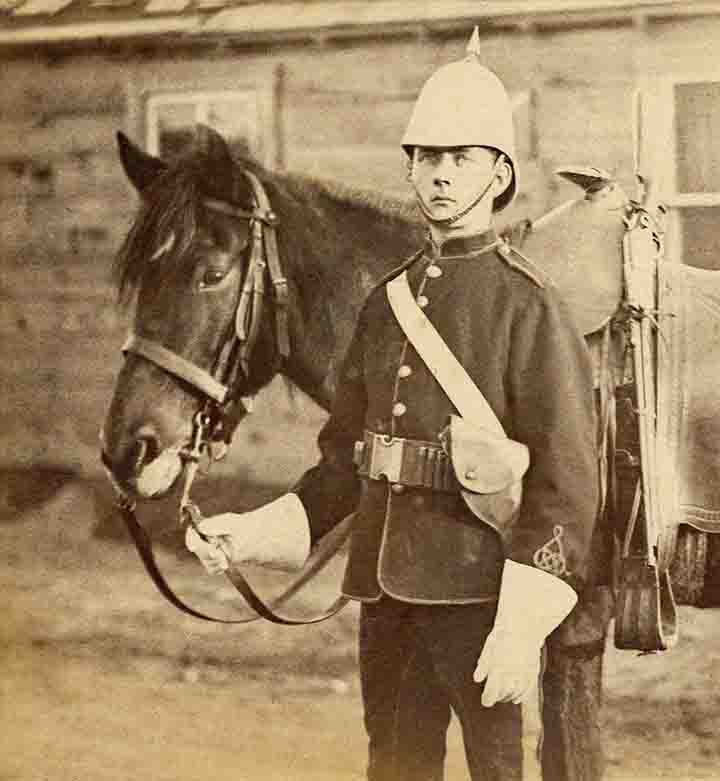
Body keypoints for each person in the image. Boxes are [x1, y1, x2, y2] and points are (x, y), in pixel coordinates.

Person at [186, 29, 600, 781]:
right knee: (395, 766)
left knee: (495, 771)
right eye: (426, 157)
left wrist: (522, 620)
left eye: (461, 158)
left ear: (499, 172)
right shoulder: (387, 304)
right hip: (385, 590)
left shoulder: (529, 307)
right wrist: (249, 533)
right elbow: (343, 462)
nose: (439, 175)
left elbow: (568, 486)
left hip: (479, 594)